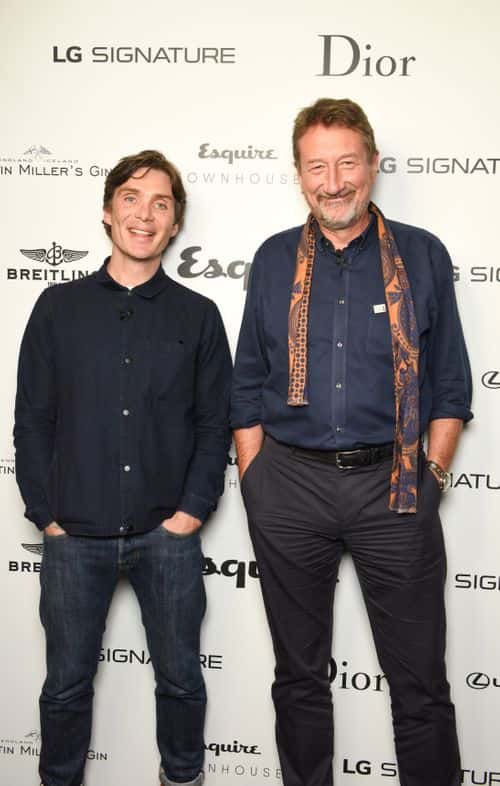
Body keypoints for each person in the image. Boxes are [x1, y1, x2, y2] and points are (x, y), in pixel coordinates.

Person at [231, 99, 472, 786]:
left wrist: (433, 474)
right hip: (289, 488)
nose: (332, 181)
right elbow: (248, 380)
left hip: (393, 487)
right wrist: (256, 479)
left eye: (346, 163)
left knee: (420, 682)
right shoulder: (275, 259)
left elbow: (450, 384)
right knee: (300, 679)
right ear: (299, 173)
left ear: (371, 165)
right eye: (317, 166)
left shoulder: (423, 255)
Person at [14, 149, 232, 786]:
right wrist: (45, 515)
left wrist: (191, 514)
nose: (146, 214)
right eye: (132, 199)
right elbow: (32, 419)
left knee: (182, 684)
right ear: (108, 213)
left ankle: (182, 778)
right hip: (72, 537)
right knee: (63, 690)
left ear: (174, 222)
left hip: (167, 536)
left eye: (161, 203)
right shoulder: (57, 307)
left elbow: (213, 425)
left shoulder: (199, 316)